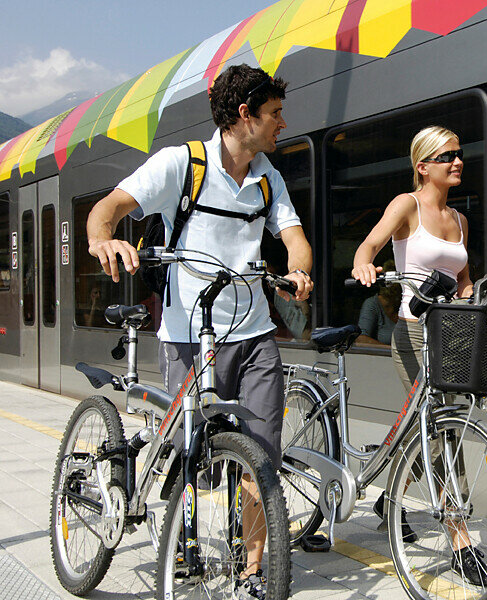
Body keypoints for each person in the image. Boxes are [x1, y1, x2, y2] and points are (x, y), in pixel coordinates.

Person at [86, 64, 313, 598]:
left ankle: (252, 569)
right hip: (190, 334)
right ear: (245, 115)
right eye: (275, 113)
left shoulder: (268, 178)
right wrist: (103, 240)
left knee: (261, 456)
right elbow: (108, 209)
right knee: (190, 452)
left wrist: (298, 272)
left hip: (254, 333)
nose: (283, 123)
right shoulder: (181, 165)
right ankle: (181, 537)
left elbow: (294, 239)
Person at [351, 126, 487, 586]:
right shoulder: (406, 205)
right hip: (413, 334)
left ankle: (387, 498)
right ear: (423, 166)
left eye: (459, 153)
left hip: (451, 333)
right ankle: (460, 541)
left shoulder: (460, 219)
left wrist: (474, 296)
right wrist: (364, 264)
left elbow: (463, 279)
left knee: (429, 429)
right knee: (441, 431)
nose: (458, 161)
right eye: (447, 155)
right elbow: (369, 245)